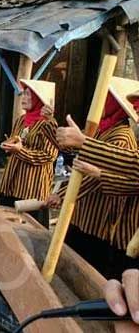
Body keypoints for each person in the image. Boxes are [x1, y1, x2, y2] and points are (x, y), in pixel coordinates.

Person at [50, 80, 139, 279]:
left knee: (91, 269)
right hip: (84, 208)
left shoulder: (122, 137)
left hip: (99, 215)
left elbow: (119, 172)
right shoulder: (102, 129)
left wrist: (62, 194)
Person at [0, 80, 58, 227]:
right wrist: (9, 146)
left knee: (31, 227)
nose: (23, 98)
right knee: (6, 221)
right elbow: (15, 141)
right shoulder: (21, 120)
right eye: (23, 94)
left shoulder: (48, 124)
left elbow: (49, 155)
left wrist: (21, 151)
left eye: (29, 95)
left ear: (39, 99)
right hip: (13, 179)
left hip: (33, 184)